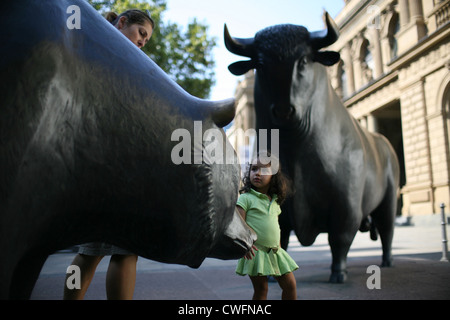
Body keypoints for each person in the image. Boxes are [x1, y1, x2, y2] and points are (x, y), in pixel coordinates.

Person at [63, 9, 154, 300]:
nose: (142, 43)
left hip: (114, 163)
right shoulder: (95, 47)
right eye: (141, 34)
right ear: (123, 22)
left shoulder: (89, 43)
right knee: (115, 251)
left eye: (146, 41)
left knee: (98, 251)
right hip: (106, 163)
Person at [235, 152, 298, 300]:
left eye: (264, 170)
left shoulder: (275, 201)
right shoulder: (246, 198)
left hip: (276, 252)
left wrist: (280, 247)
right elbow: (239, 226)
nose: (257, 173)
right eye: (254, 169)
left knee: (290, 286)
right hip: (255, 253)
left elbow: (275, 227)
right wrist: (245, 245)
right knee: (262, 289)